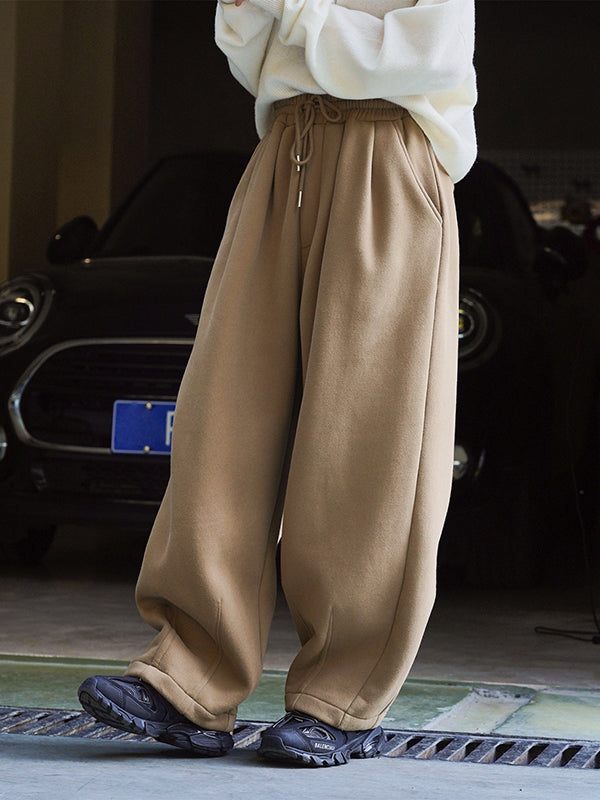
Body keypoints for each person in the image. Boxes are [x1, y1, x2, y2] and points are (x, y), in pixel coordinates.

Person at [79, 0, 477, 767]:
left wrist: (295, 12)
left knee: (365, 438)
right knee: (223, 419)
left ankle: (340, 697)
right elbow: (245, 46)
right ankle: (191, 679)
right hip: (284, 147)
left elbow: (425, 52)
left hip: (390, 152)